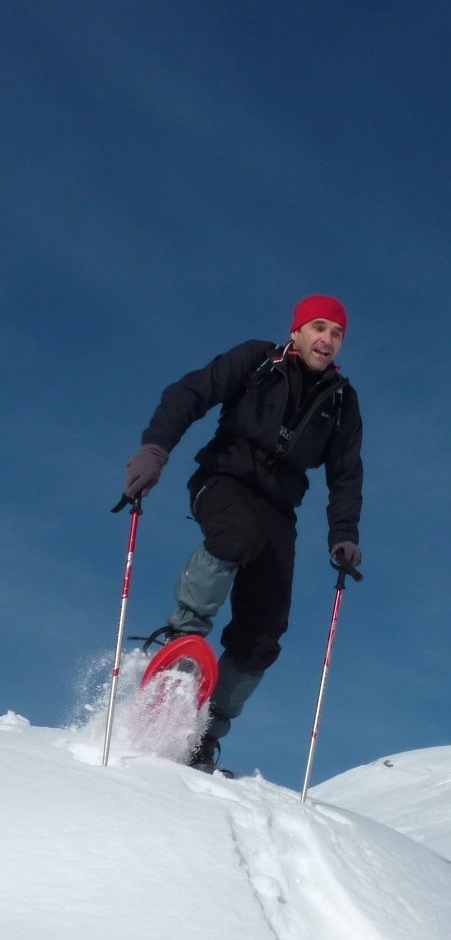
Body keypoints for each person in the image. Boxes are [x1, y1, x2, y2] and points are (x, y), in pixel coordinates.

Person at [123, 294, 363, 772]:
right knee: (237, 536)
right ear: (297, 331)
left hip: (280, 507)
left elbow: (346, 473)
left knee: (265, 630)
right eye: (319, 327)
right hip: (222, 480)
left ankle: (205, 733)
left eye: (336, 333)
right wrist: (155, 449)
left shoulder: (341, 400)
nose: (327, 339)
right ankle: (182, 638)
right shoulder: (258, 360)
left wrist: (344, 533)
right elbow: (189, 393)